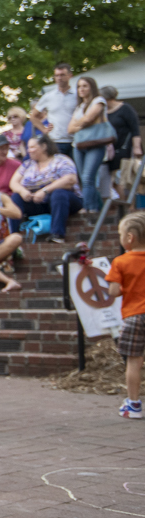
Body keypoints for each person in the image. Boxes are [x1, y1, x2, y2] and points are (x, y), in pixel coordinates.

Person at [107, 212, 145, 420]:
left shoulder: (120, 261)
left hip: (134, 316)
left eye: (120, 234)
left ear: (130, 237)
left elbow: (113, 292)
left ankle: (134, 405)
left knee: (134, 361)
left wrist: (126, 288)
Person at [9, 134, 81, 243]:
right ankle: (13, 236)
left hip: (64, 200)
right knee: (16, 197)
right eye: (28, 147)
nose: (29, 150)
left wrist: (45, 191)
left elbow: (70, 179)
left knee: (59, 193)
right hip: (37, 202)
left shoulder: (61, 160)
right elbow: (13, 183)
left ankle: (57, 235)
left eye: (32, 147)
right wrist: (22, 191)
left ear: (44, 147)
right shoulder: (27, 164)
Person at [68, 75, 111, 212]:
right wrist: (83, 123)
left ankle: (89, 208)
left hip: (95, 144)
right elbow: (70, 129)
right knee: (84, 179)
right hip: (79, 145)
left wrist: (79, 123)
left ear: (91, 87)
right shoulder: (79, 107)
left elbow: (88, 118)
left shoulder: (99, 101)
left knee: (88, 178)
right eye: (79, 86)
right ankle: (97, 207)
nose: (81, 89)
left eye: (84, 86)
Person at [32, 62, 78, 158]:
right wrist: (44, 129)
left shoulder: (77, 95)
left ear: (70, 76)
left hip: (75, 140)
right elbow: (33, 116)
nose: (59, 78)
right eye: (57, 75)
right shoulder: (49, 96)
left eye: (62, 75)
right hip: (56, 140)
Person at [105, 86, 142, 201]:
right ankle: (122, 204)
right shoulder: (102, 111)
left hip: (125, 148)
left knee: (124, 179)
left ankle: (129, 205)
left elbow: (135, 129)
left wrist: (137, 147)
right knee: (112, 180)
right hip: (110, 150)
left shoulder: (125, 108)